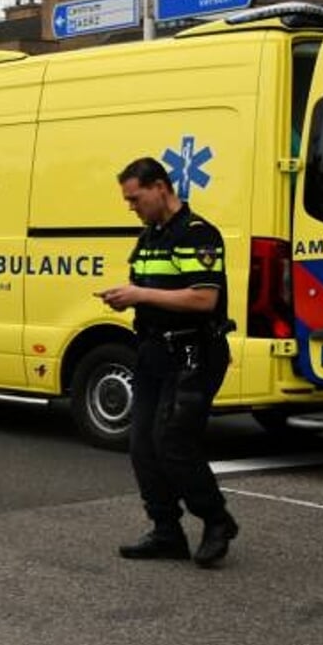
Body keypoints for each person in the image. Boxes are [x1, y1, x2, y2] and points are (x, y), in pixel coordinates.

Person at [96, 157, 239, 568]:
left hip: (193, 354)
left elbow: (203, 298)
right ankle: (166, 530)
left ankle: (216, 521)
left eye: (135, 198)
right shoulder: (149, 238)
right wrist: (126, 296)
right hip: (154, 353)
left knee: (173, 442)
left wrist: (139, 296)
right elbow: (150, 288)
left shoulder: (197, 234)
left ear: (161, 187)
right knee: (141, 444)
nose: (131, 206)